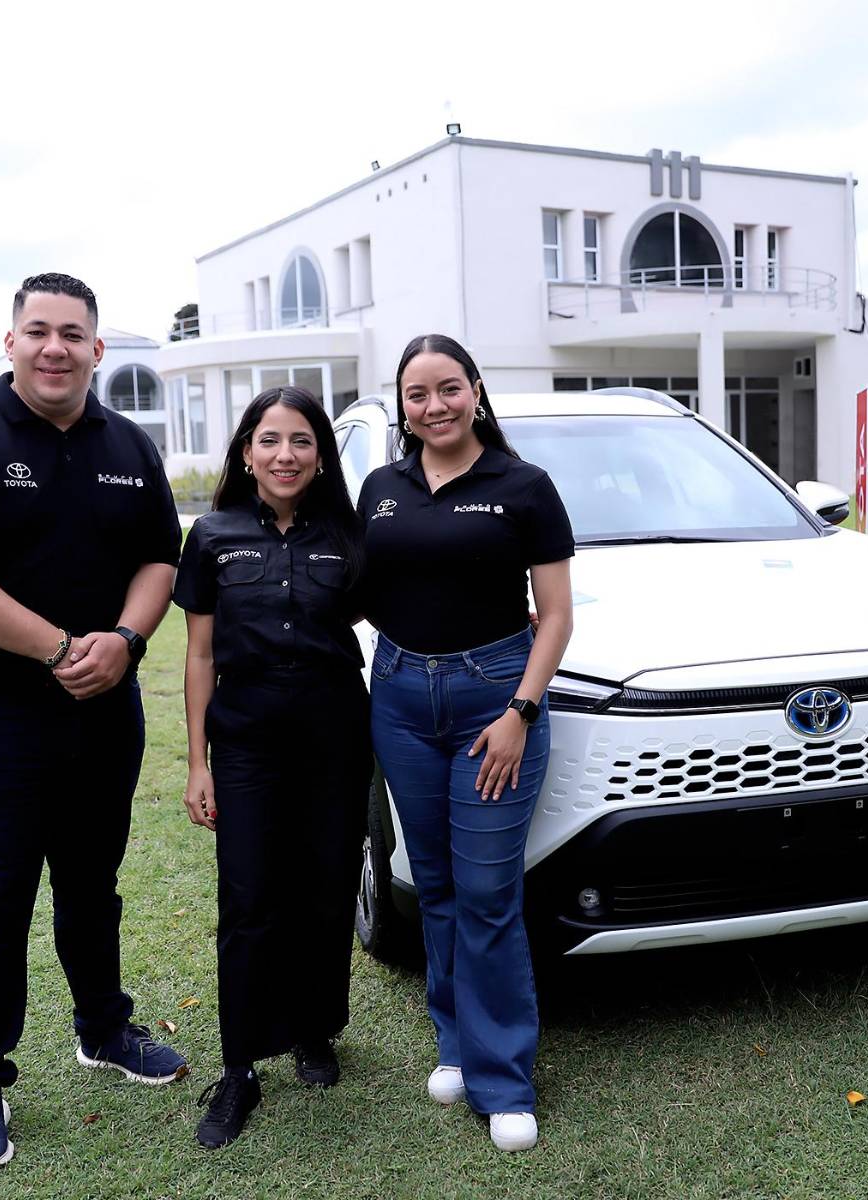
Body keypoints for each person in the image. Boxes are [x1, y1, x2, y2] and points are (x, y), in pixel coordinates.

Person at [0, 273, 188, 1175]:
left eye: (73, 333)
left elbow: (158, 559)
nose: (55, 347)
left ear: (98, 349)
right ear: (10, 344)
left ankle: (103, 1029)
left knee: (92, 885)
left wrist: (127, 641)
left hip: (107, 708)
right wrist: (62, 648)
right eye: (38, 331)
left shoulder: (129, 446)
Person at [355, 334, 574, 1152]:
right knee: (437, 887)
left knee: (487, 893)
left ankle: (503, 1077)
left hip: (494, 701)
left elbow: (553, 615)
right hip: (403, 698)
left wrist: (520, 708)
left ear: (476, 391)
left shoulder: (522, 486)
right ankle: (453, 1040)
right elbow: (353, 585)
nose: (434, 406)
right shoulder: (381, 488)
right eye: (417, 394)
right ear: (402, 406)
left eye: (449, 388)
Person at [173, 386, 371, 1149]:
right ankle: (238, 1068)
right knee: (250, 901)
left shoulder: (349, 536)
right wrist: (198, 762)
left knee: (324, 894)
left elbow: (404, 603)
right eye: (268, 440)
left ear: (320, 455)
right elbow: (196, 653)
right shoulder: (213, 534)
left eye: (299, 441)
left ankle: (314, 1030)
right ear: (245, 452)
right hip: (246, 745)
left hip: (334, 740)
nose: (283, 455)